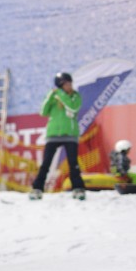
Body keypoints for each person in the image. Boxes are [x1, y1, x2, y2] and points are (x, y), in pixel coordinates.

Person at [29, 72, 86, 200]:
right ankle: (37, 188)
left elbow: (73, 108)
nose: (69, 85)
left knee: (73, 163)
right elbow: (43, 112)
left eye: (70, 83)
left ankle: (78, 188)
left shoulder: (75, 96)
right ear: (60, 85)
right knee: (46, 163)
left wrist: (60, 94)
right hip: (53, 134)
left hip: (70, 135)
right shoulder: (54, 96)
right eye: (66, 83)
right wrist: (50, 96)